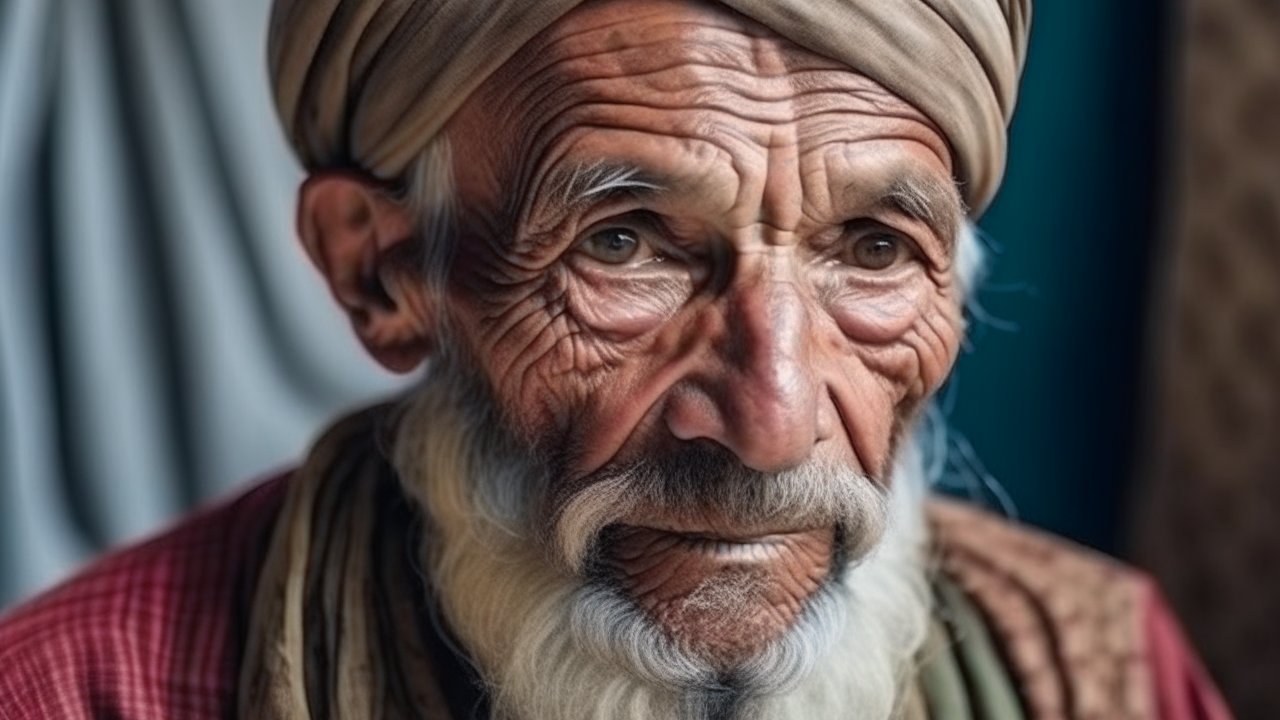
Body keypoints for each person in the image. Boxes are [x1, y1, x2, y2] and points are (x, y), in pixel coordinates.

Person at [0, 1, 1232, 718]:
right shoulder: (87, 692)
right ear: (381, 273)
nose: (773, 418)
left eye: (869, 248)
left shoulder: (1097, 674)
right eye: (628, 243)